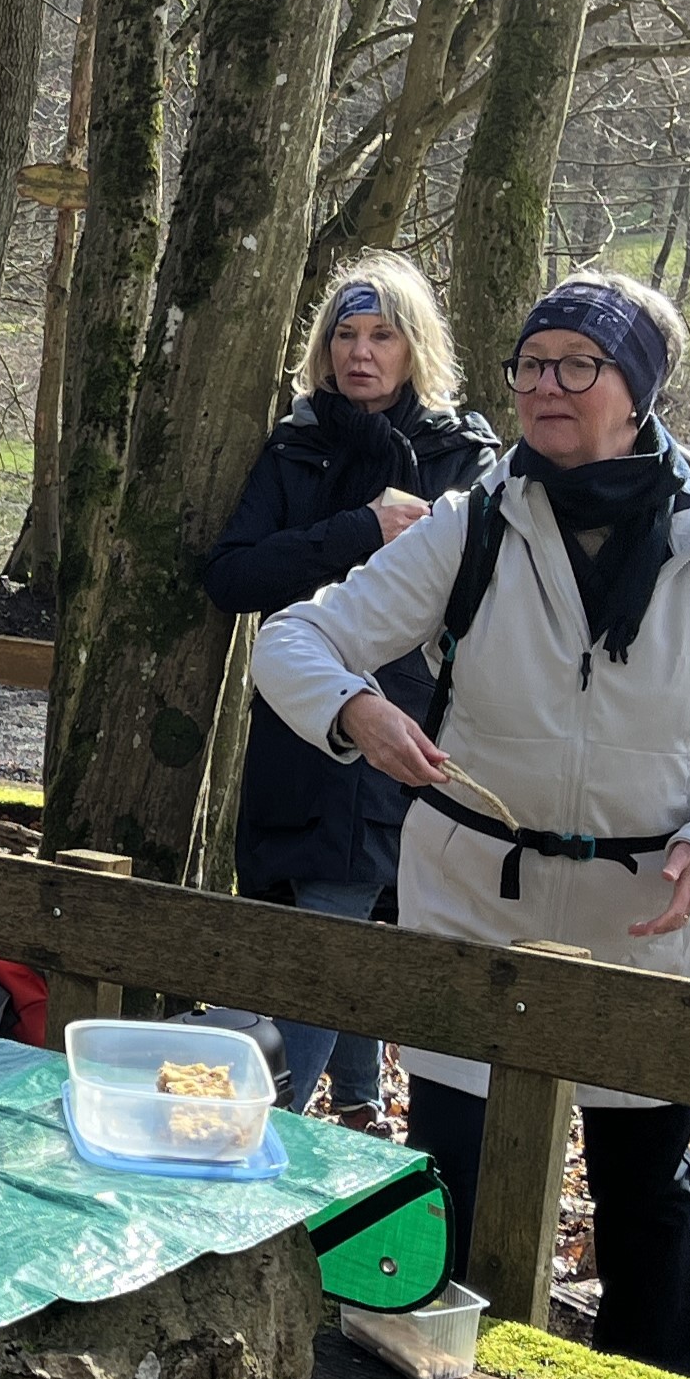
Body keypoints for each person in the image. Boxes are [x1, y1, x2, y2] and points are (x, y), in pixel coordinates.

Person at [252, 272, 690, 1373]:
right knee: (455, 1180)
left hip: (649, 921)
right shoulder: (472, 525)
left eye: (578, 365)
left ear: (636, 389)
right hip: (477, 899)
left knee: (644, 1197)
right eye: (530, 364)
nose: (545, 386)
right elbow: (295, 639)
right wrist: (358, 710)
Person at [202, 254, 494, 1130]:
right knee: (307, 917)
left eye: (381, 335)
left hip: (404, 727)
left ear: (416, 347)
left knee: (343, 912)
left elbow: (482, 600)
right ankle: (359, 1111)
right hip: (293, 721)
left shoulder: (464, 458)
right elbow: (232, 576)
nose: (360, 353)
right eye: (344, 333)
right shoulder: (295, 444)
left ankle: (266, 1127)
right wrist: (356, 529)